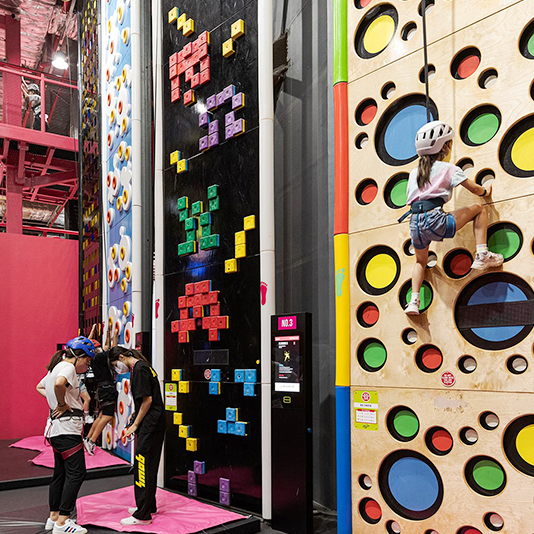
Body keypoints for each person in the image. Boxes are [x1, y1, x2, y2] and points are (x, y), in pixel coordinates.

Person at [403, 120, 503, 316]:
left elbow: (411, 200)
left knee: (420, 262)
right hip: (436, 220)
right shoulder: (449, 168)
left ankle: (413, 301)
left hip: (415, 224)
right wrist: (485, 190)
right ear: (444, 147)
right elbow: (474, 189)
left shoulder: (414, 173)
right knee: (479, 209)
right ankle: (482, 254)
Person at [36, 336, 96, 534]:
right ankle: (63, 522)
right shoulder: (68, 368)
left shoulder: (55, 367)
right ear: (80, 357)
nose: (87, 365)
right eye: (87, 361)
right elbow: (59, 384)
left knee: (60, 473)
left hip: (56, 430)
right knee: (77, 473)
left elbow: (40, 386)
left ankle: (54, 517)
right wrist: (61, 404)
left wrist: (56, 401)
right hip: (67, 428)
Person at [108, 346, 166, 526]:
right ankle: (148, 506)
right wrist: (134, 416)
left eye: (115, 364)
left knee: (142, 466)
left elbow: (148, 400)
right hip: (153, 423)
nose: (117, 368)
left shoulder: (140, 369)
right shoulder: (141, 367)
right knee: (149, 466)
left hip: (150, 424)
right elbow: (146, 400)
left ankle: (142, 515)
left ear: (121, 357)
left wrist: (134, 425)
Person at [84, 324, 119, 455]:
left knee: (100, 416)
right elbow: (113, 350)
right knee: (107, 416)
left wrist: (107, 333)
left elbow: (105, 347)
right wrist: (114, 335)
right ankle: (91, 441)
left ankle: (88, 438)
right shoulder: (100, 357)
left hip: (101, 389)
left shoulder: (94, 358)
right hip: (107, 389)